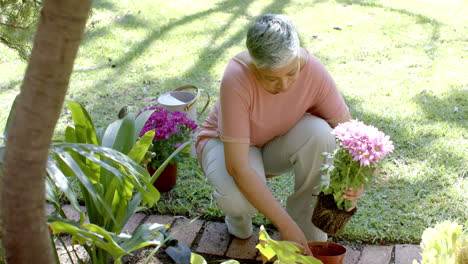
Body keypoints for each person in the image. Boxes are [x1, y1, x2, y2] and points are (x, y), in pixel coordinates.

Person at [195, 14, 363, 255]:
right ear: (255, 66)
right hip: (225, 147)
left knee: (320, 133)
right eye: (272, 78)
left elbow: (351, 133)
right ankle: (238, 218)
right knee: (238, 200)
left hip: (274, 144)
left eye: (291, 73)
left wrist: (357, 181)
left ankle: (307, 233)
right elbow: (239, 167)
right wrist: (284, 225)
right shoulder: (236, 77)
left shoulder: (313, 70)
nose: (284, 85)